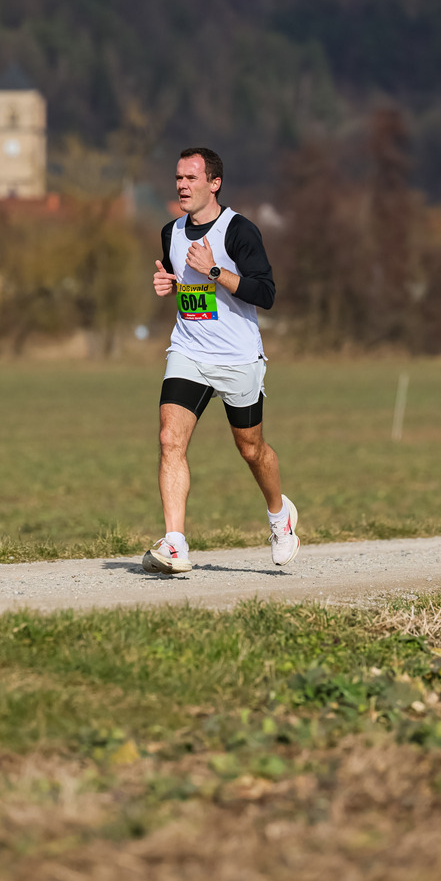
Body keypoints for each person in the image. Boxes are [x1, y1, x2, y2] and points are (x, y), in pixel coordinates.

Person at [142, 147, 299, 575]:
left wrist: (215, 271)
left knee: (251, 449)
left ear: (215, 183)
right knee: (169, 439)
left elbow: (264, 294)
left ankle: (279, 516)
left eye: (191, 178)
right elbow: (188, 292)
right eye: (178, 178)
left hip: (237, 358)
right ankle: (175, 544)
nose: (182, 186)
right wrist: (169, 285)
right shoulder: (170, 232)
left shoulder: (239, 231)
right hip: (188, 350)